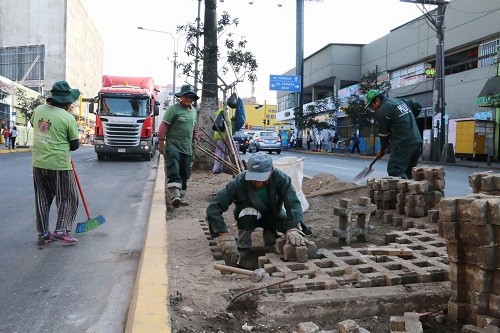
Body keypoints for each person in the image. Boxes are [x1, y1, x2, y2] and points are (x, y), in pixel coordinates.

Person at [206, 152, 312, 262]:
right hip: (248, 216)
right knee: (248, 213)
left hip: (273, 214)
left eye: (262, 179)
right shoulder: (239, 182)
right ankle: (243, 247)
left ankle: (271, 238)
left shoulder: (281, 179)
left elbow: (293, 204)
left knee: (287, 228)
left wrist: (293, 228)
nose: (258, 184)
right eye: (254, 179)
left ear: (271, 171)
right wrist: (223, 234)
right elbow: (214, 208)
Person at [31, 81, 81, 245]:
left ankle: (44, 234)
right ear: (66, 102)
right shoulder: (68, 118)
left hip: (38, 163)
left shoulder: (38, 110)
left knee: (42, 198)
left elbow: (34, 125)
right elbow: (74, 146)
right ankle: (61, 229)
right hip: (59, 164)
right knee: (68, 197)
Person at [365, 89, 422, 179]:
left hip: (403, 143)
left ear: (377, 101)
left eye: (371, 106)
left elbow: (384, 137)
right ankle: (413, 191)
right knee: (408, 170)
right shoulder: (400, 101)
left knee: (395, 169)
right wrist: (409, 120)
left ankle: (407, 191)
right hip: (417, 140)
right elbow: (417, 105)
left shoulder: (382, 111)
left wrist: (382, 150)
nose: (372, 109)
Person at [158, 84, 199, 208]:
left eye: (191, 97)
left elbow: (194, 127)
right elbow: (163, 126)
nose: (188, 99)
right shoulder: (173, 109)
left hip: (187, 148)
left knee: (185, 172)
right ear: (180, 97)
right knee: (174, 168)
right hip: (173, 146)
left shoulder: (193, 111)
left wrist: (195, 138)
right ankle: (174, 194)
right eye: (185, 96)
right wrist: (161, 142)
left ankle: (181, 194)